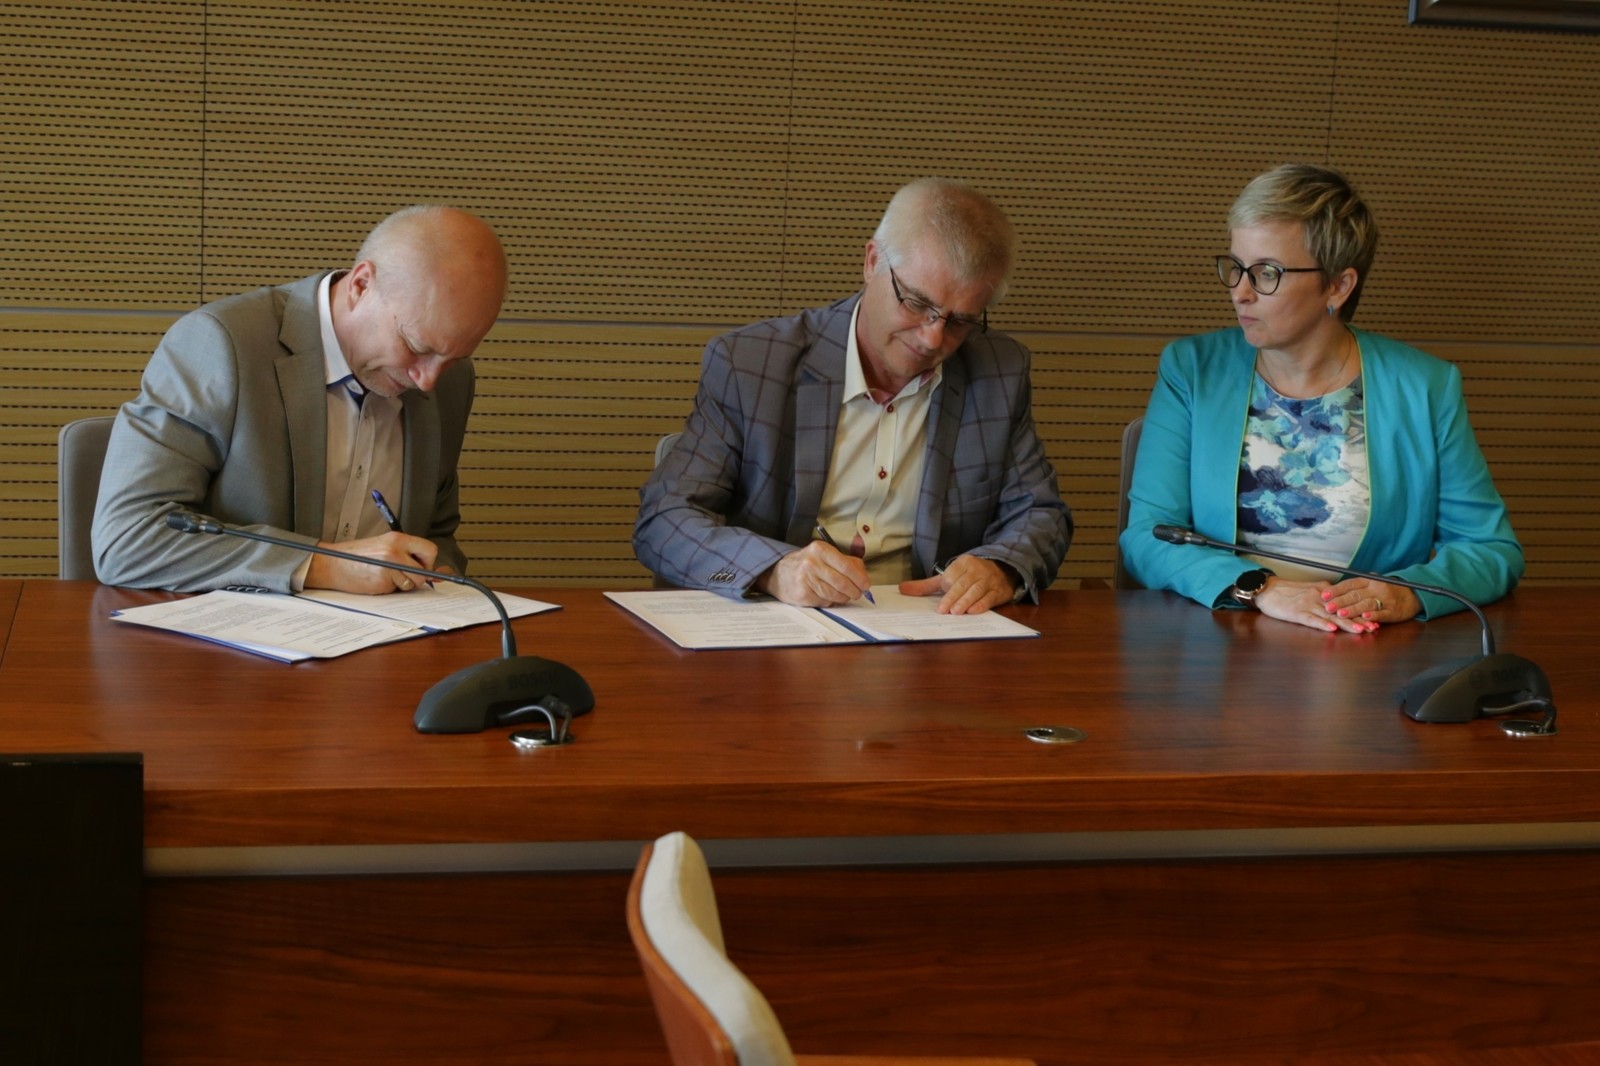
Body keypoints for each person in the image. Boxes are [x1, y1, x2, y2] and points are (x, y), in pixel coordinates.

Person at [634, 178, 1071, 614]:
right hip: (782, 626)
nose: (933, 338)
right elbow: (663, 522)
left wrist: (1001, 567)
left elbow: (1041, 514)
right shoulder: (750, 365)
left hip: (932, 629)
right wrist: (772, 570)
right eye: (916, 303)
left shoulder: (999, 371)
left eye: (959, 321)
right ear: (872, 261)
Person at [1120, 163, 1522, 633]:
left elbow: (1491, 550)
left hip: (1365, 644)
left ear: (1337, 285)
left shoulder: (1425, 386)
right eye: (1236, 267)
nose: (1240, 293)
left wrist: (1408, 592)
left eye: (1266, 273)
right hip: (1223, 637)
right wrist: (1260, 588)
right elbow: (1148, 536)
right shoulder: (1192, 369)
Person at [92, 205, 507, 594]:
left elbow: (437, 533)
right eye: (416, 346)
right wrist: (326, 565)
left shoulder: (452, 383)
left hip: (388, 639)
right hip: (228, 639)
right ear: (361, 285)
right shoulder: (221, 344)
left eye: (454, 358)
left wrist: (435, 570)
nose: (428, 381)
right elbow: (127, 538)